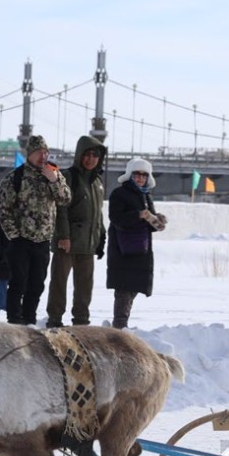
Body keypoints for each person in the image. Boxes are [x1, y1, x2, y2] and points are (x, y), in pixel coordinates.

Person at [0, 134, 71, 325]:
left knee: (37, 285)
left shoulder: (53, 174)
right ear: (29, 153)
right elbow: (3, 209)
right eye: (38, 152)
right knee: (18, 283)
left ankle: (29, 319)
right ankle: (14, 320)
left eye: (45, 152)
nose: (43, 156)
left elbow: (65, 199)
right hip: (21, 241)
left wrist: (54, 181)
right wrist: (14, 235)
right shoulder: (15, 177)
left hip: (43, 241)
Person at [46, 134, 108, 328]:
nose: (91, 159)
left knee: (85, 287)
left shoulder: (97, 182)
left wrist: (101, 237)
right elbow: (61, 209)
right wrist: (63, 236)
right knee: (59, 283)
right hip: (67, 242)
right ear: (80, 155)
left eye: (95, 155)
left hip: (88, 244)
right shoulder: (68, 177)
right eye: (87, 154)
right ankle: (54, 321)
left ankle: (81, 323)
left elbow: (97, 213)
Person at [106, 158, 166, 329]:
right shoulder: (119, 194)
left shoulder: (146, 195)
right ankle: (119, 328)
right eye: (137, 174)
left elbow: (149, 223)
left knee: (132, 290)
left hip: (141, 251)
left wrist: (158, 220)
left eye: (144, 174)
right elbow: (116, 219)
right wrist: (138, 215)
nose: (140, 177)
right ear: (129, 175)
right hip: (123, 251)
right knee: (123, 290)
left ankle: (121, 327)